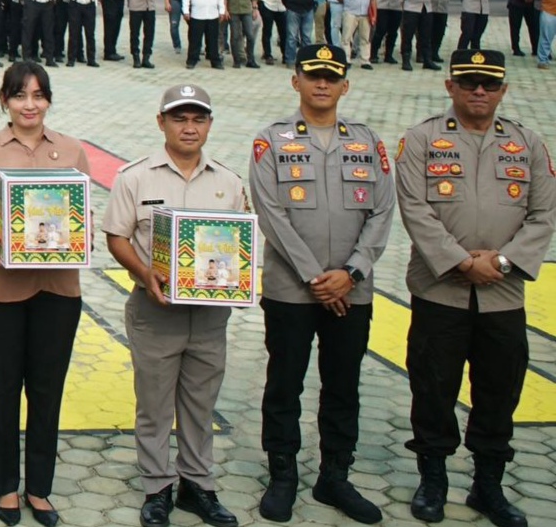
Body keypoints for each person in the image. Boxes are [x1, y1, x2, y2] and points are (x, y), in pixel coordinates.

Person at [396, 49, 554, 526]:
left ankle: (488, 486)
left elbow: (544, 216)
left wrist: (502, 261)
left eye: (488, 84)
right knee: (433, 388)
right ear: (450, 87)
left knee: (499, 391)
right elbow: (415, 209)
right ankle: (433, 480)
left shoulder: (528, 144)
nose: (479, 91)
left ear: (504, 90)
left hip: (503, 296)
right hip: (439, 292)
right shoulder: (422, 140)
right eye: (468, 83)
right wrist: (462, 262)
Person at [248, 44, 394, 524]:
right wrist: (317, 278)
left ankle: (335, 475)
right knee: (284, 383)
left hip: (353, 291)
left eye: (332, 76)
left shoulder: (369, 144)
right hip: (292, 291)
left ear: (345, 85)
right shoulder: (271, 141)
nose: (322, 84)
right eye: (313, 75)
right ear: (296, 81)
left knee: (343, 385)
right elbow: (272, 215)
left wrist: (349, 274)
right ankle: (283, 474)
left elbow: (382, 213)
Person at [103, 84, 246, 527]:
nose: (189, 128)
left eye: (198, 119)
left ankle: (198, 485)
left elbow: (242, 245)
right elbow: (116, 236)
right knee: (155, 405)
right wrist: (145, 274)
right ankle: (157, 487)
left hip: (208, 317)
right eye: (179, 119)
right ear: (161, 122)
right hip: (154, 311)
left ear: (209, 125)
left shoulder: (229, 182)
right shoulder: (136, 177)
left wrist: (238, 279)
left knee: (201, 404)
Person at [0, 61, 91, 526]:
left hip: (57, 289)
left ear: (48, 99)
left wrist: (80, 234)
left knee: (47, 389)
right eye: (20, 96)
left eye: (38, 95)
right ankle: (4, 487)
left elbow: (82, 210)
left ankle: (39, 488)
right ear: (5, 101)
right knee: (1, 389)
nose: (29, 105)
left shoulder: (73, 151)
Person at [181, 0, 226, 70]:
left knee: (212, 40)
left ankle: (215, 61)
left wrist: (222, 11)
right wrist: (185, 11)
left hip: (212, 14)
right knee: (195, 40)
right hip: (197, 14)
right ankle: (192, 60)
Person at [334, 0, 377, 70]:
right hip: (350, 12)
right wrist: (347, 3)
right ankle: (346, 60)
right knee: (346, 37)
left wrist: (374, 14)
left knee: (365, 38)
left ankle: (365, 61)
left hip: (365, 14)